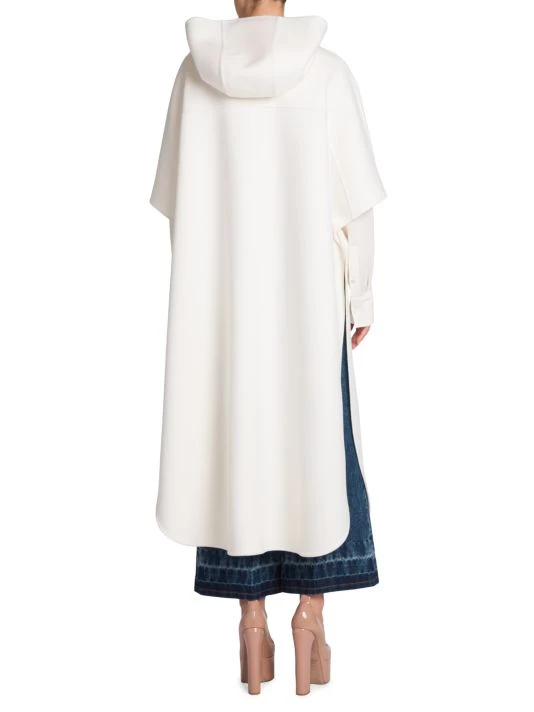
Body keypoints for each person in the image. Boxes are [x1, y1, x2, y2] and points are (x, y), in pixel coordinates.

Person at [149, 0, 386, 695]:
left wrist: (207, 295)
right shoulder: (326, 73)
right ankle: (311, 616)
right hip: (308, 305)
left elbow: (177, 204)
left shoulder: (193, 76)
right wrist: (361, 295)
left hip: (222, 312)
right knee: (319, 451)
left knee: (234, 450)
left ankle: (251, 625)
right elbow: (356, 208)